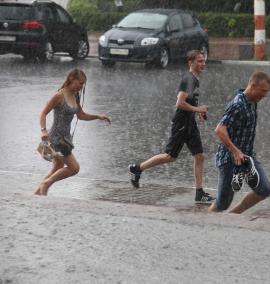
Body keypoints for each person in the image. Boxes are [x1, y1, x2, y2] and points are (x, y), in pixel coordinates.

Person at [129, 50, 215, 203]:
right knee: (170, 157)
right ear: (191, 63)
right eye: (200, 61)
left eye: (203, 61)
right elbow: (180, 103)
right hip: (181, 124)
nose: (203, 64)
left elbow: (189, 101)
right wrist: (198, 109)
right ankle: (137, 168)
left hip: (190, 124)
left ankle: (199, 193)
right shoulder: (189, 79)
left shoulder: (194, 79)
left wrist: (197, 111)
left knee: (200, 156)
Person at [34, 68, 112, 196]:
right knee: (74, 168)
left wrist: (98, 116)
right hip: (56, 139)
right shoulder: (59, 95)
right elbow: (43, 113)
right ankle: (46, 184)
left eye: (84, 84)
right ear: (71, 79)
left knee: (57, 168)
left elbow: (81, 115)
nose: (82, 86)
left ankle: (36, 196)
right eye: (80, 83)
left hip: (66, 138)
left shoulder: (75, 95)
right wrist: (43, 130)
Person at [208, 71, 270, 213]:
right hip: (230, 160)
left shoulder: (253, 102)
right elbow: (219, 130)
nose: (265, 95)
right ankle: (206, 224)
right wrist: (235, 151)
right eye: (263, 91)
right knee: (222, 203)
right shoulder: (238, 105)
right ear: (253, 85)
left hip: (247, 157)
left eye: (267, 92)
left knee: (264, 189)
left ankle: (232, 217)